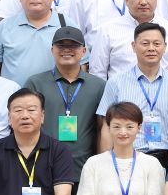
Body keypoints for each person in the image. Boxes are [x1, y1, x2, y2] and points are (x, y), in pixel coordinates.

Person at [96, 22, 168, 164]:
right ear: (133, 46)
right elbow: (107, 127)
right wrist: (105, 164)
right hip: (127, 156)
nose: (151, 48)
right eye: (145, 43)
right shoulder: (116, 82)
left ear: (165, 47)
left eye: (157, 44)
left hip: (167, 157)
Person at [20, 28, 105, 162]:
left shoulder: (98, 85)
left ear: (84, 51)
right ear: (52, 50)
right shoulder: (35, 83)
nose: (66, 49)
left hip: (84, 165)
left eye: (73, 45)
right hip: (42, 163)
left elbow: (103, 128)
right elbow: (25, 125)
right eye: (61, 45)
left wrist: (100, 163)